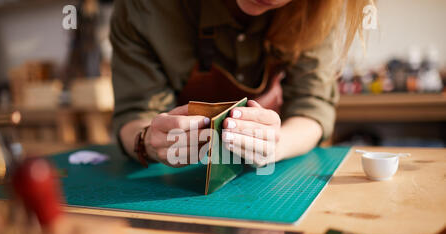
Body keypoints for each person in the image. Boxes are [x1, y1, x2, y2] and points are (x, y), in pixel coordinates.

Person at [110, 0, 370, 167]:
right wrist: (147, 140)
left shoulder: (320, 7)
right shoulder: (145, 9)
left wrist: (278, 144)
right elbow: (135, 112)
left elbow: (312, 105)